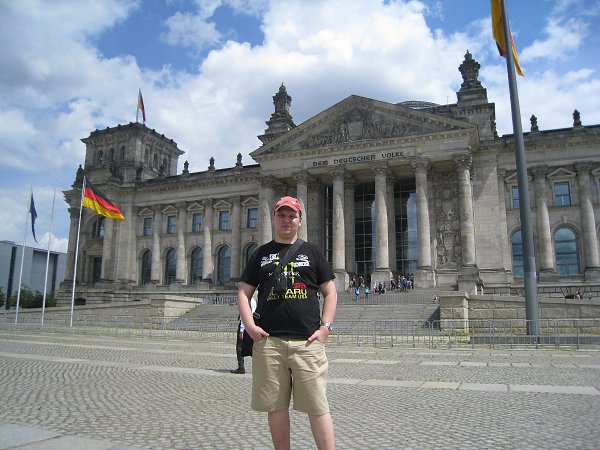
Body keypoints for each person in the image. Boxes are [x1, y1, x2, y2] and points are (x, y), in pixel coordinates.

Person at [238, 196, 337, 450]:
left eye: (292, 215)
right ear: (273, 218)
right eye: (281, 215)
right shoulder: (260, 253)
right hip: (270, 343)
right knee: (276, 407)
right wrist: (250, 327)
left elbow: (330, 292)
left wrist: (325, 328)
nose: (287, 220)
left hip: (308, 343)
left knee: (318, 406)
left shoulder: (312, 252)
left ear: (300, 220)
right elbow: (244, 293)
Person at [230, 295, 257, 374]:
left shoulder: (245, 300)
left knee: (239, 347)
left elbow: (244, 315)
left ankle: (241, 367)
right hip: (252, 325)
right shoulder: (253, 301)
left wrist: (242, 330)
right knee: (252, 346)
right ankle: (257, 366)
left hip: (245, 326)